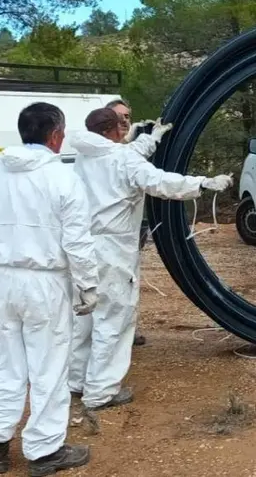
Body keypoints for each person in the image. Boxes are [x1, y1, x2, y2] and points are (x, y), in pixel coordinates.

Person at [68, 107, 232, 411]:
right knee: (114, 318)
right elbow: (160, 182)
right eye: (122, 125)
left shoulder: (85, 157)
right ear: (113, 131)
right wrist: (204, 183)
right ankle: (101, 391)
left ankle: (77, 381)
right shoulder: (121, 158)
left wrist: (151, 139)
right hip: (112, 250)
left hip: (82, 246)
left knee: (85, 317)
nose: (126, 128)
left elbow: (129, 157)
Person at [0, 102, 98, 476]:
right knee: (48, 365)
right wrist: (87, 285)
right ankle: (44, 451)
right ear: (56, 135)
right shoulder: (62, 178)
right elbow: (77, 240)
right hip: (45, 281)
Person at [105, 97, 153, 347]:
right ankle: (112, 334)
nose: (124, 121)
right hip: (106, 236)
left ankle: (127, 328)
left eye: (127, 117)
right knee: (111, 286)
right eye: (119, 117)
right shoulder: (105, 152)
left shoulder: (127, 147)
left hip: (131, 226)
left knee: (130, 278)